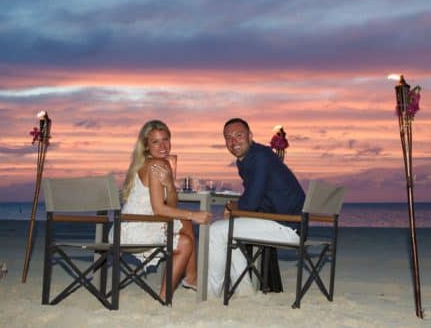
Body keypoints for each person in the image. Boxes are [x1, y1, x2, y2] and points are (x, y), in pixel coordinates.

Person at [207, 118, 306, 297]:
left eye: (239, 135)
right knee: (229, 230)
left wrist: (232, 206)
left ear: (250, 136)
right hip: (284, 221)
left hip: (289, 225)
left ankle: (212, 294)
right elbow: (257, 198)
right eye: (228, 138)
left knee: (216, 231)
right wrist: (236, 209)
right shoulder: (248, 159)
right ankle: (244, 290)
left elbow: (251, 202)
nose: (233, 141)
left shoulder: (260, 157)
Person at [113, 120, 212, 299]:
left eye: (165, 140)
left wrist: (170, 185)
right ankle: (167, 295)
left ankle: (191, 278)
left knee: (184, 222)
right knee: (186, 241)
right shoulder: (156, 165)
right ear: (146, 145)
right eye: (156, 142)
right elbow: (159, 209)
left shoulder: (154, 164)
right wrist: (194, 214)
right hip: (136, 229)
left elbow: (171, 205)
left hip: (125, 227)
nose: (163, 146)